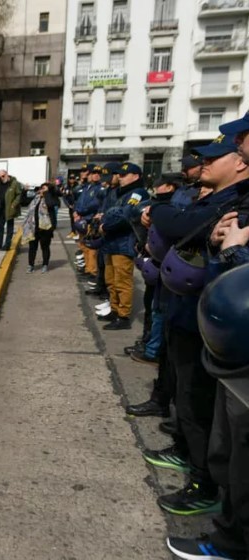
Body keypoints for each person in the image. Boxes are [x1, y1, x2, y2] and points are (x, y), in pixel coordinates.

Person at [142, 134, 249, 517]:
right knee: (185, 393)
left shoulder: (233, 203)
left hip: (210, 317)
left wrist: (158, 210)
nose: (202, 165)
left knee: (198, 400)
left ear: (238, 164)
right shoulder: (207, 197)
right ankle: (188, 453)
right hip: (185, 308)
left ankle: (203, 482)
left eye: (211, 159)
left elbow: (174, 222)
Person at [97, 162, 149, 330]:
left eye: (124, 175)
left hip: (123, 243)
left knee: (122, 281)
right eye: (119, 174)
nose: (120, 177)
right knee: (110, 280)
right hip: (111, 242)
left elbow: (127, 216)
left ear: (136, 176)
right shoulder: (120, 193)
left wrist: (105, 226)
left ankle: (123, 316)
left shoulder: (138, 193)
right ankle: (114, 309)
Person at [22, 182, 58, 273]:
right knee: (32, 247)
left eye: (44, 188)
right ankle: (30, 265)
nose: (41, 190)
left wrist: (46, 194)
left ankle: (45, 264)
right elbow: (23, 202)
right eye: (41, 188)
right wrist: (24, 191)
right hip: (33, 227)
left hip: (46, 228)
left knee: (45, 247)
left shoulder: (52, 198)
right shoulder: (36, 198)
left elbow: (50, 204)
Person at [0, 169, 22, 250]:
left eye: (3, 176)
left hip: (9, 209)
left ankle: (7, 244)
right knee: (0, 227)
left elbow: (19, 195)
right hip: (0, 208)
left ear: (7, 174)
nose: (1, 178)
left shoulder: (14, 183)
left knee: (9, 227)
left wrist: (14, 204)